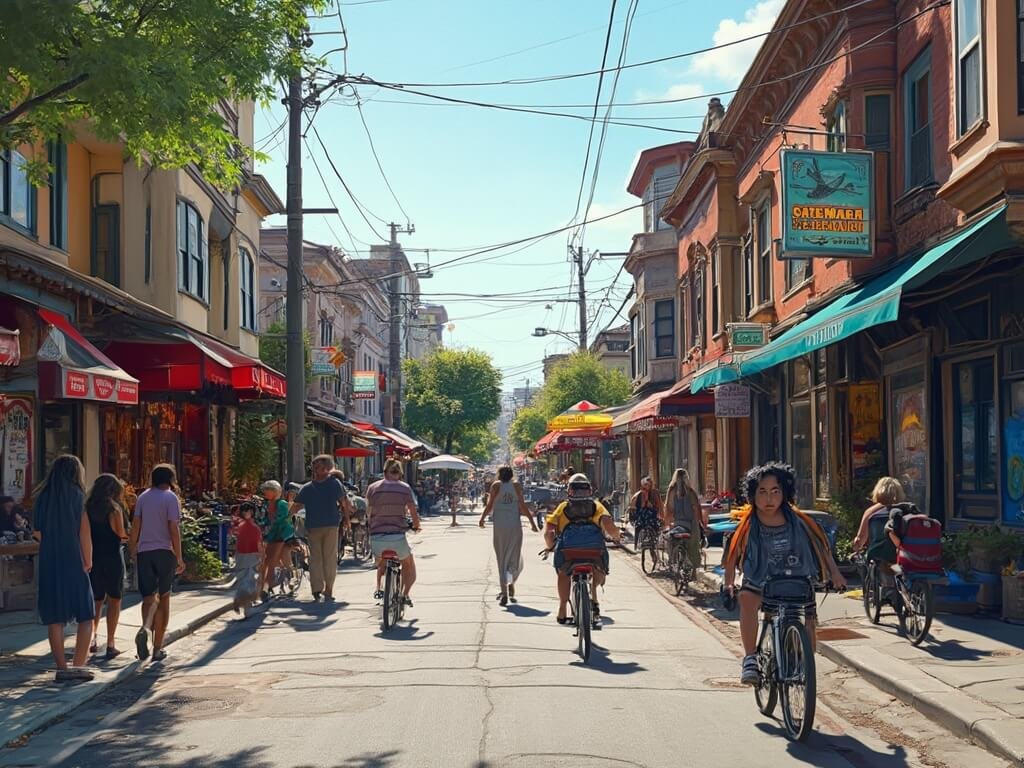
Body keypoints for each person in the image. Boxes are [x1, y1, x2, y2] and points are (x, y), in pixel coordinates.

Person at [723, 463, 846, 686]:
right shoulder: (748, 525)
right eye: (762, 491)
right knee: (747, 599)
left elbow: (822, 547)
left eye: (775, 491)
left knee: (808, 613)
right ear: (752, 494)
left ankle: (803, 661)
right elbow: (732, 556)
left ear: (784, 493)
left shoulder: (800, 521)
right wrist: (729, 584)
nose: (769, 498)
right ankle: (750, 658)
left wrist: (835, 575)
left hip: (796, 578)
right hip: (760, 580)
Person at [33, 455, 96, 682]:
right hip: (74, 559)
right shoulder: (78, 497)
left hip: (50, 560)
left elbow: (37, 532)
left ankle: (61, 668)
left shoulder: (42, 498)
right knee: (86, 614)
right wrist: (87, 560)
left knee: (55, 617)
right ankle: (79, 666)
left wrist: (52, 544)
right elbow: (84, 533)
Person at [544, 473, 622, 626]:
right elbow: (610, 527)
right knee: (601, 568)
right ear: (589, 490)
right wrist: (617, 537)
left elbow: (548, 532)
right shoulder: (596, 506)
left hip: (568, 553)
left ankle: (562, 609)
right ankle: (593, 592)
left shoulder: (563, 507)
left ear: (569, 490)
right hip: (594, 552)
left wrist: (549, 546)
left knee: (563, 573)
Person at [128, 463, 185, 663]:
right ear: (170, 478)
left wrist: (132, 548)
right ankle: (157, 648)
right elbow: (173, 528)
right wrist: (179, 556)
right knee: (165, 597)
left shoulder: (143, 497)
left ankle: (145, 628)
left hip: (145, 552)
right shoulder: (170, 497)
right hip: (165, 552)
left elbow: (136, 525)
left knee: (148, 598)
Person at [290, 455, 350, 603]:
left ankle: (327, 588)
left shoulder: (334, 484)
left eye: (319, 466)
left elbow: (344, 503)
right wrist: (285, 517)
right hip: (314, 527)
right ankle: (317, 589)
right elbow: (296, 506)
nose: (316, 469)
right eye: (315, 466)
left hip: (330, 525)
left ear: (327, 468)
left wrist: (347, 519)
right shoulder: (308, 488)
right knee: (316, 558)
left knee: (327, 558)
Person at [479, 465, 538, 606]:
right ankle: (511, 582)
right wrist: (532, 522)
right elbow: (522, 506)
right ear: (512, 475)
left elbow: (490, 506)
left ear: (499, 474)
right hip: (514, 525)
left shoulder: (495, 486)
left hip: (499, 527)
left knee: (502, 558)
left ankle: (504, 592)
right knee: (515, 557)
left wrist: (482, 518)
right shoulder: (516, 486)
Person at [366, 459, 421, 606]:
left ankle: (379, 588)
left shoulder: (372, 488)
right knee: (409, 564)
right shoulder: (405, 488)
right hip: (397, 536)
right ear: (400, 473)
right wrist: (416, 525)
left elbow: (369, 512)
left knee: (381, 563)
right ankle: (405, 594)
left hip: (376, 537)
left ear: (384, 472)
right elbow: (413, 511)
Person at [86, 473, 129, 659]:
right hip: (112, 557)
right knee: (114, 599)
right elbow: (120, 533)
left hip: (94, 557)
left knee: (96, 600)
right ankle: (110, 642)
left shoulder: (87, 508)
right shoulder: (114, 509)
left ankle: (92, 639)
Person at [852, 476, 904, 567]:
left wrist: (856, 547)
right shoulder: (905, 510)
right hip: (903, 556)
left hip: (878, 557)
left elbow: (860, 540)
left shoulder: (871, 512)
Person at [662, 468, 706, 573]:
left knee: (669, 539)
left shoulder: (671, 491)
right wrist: (701, 523)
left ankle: (672, 562)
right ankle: (693, 570)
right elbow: (696, 508)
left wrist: (667, 523)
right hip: (691, 523)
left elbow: (668, 508)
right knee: (694, 546)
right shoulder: (691, 491)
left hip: (677, 523)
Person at [259, 480, 297, 598]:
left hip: (281, 534)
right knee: (266, 560)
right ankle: (263, 586)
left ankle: (266, 587)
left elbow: (281, 520)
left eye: (267, 490)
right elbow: (265, 519)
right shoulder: (267, 504)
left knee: (272, 560)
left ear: (275, 492)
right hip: (271, 535)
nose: (264, 492)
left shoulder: (282, 504)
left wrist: (268, 526)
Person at [233, 503, 262, 614]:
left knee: (243, 577)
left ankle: (241, 600)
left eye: (248, 511)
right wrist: (262, 555)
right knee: (250, 578)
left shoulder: (239, 525)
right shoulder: (254, 527)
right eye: (245, 511)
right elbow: (259, 543)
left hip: (242, 554)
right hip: (252, 555)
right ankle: (245, 603)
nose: (247, 513)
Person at [629, 475, 663, 544]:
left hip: (652, 513)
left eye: (649, 485)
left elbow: (658, 505)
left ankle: (654, 538)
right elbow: (640, 506)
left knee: (656, 521)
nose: (648, 487)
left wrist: (659, 512)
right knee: (644, 518)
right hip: (642, 514)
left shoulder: (655, 493)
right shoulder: (640, 494)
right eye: (646, 485)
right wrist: (646, 499)